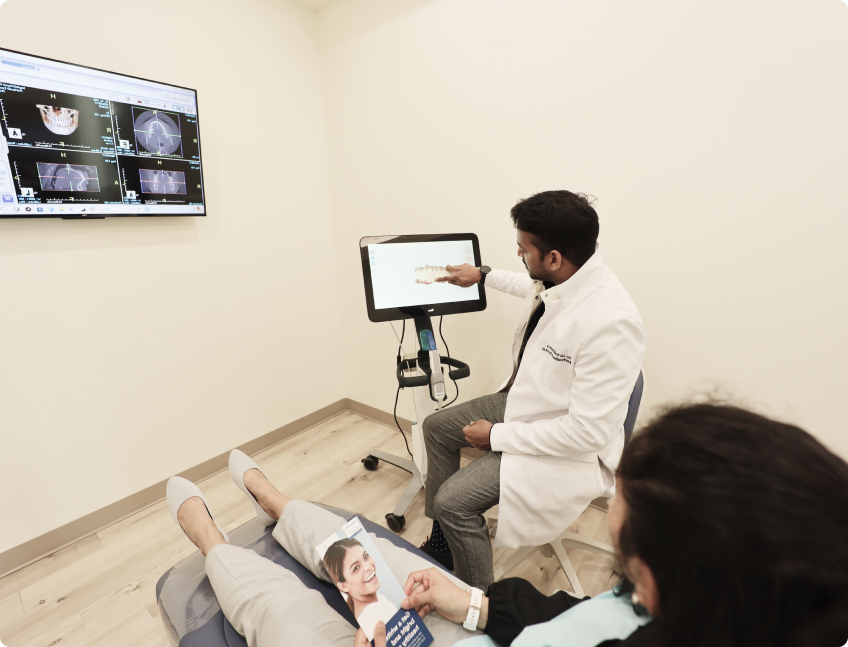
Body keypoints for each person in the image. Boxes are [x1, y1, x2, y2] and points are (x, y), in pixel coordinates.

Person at [170, 403, 848, 647]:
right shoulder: (713, 612)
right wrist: (470, 603)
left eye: (622, 494)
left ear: (655, 578)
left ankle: (210, 540)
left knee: (281, 614)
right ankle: (277, 501)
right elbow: (579, 617)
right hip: (479, 628)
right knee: (361, 554)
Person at [421, 190, 646, 589]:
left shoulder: (610, 322)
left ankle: (482, 604)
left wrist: (496, 436)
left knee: (452, 502)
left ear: (554, 258)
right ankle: (444, 543)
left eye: (524, 250)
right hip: (530, 405)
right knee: (436, 427)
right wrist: (482, 275)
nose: (519, 256)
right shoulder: (568, 274)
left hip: (567, 447)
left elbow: (587, 434)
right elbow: (525, 283)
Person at [323, 537, 398, 640]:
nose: (368, 566)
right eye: (356, 568)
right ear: (344, 586)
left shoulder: (379, 600)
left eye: (366, 556)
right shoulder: (374, 615)